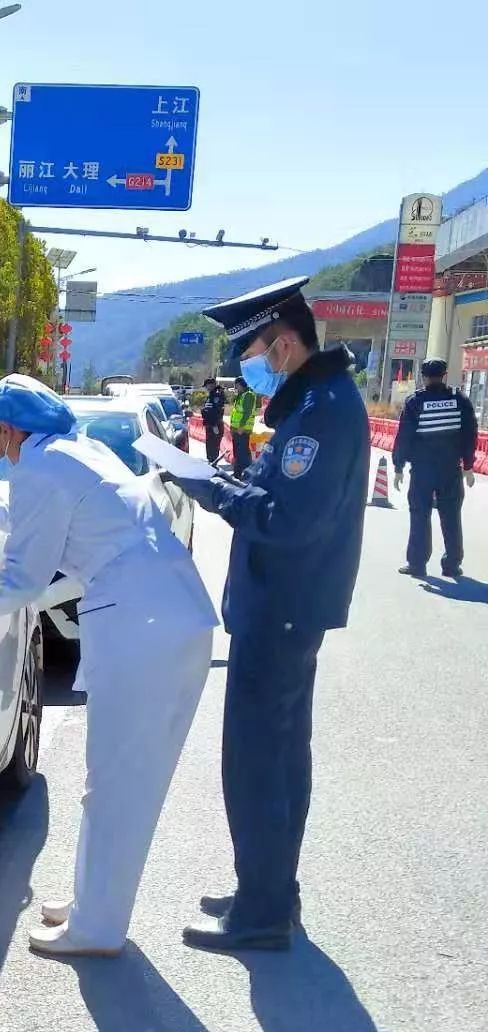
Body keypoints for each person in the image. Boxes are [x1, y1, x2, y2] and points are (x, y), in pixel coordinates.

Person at [0, 373, 217, 959]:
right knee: (117, 784)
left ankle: (97, 928)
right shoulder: (77, 452)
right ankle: (92, 908)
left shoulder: (40, 468)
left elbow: (23, 580)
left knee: (115, 786)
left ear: (6, 430)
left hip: (142, 635)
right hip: (171, 623)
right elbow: (46, 518)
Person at [168, 278, 368, 952]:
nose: (247, 367)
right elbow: (277, 491)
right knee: (277, 758)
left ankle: (260, 913)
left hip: (282, 607)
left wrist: (211, 487)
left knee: (258, 762)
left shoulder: (321, 411)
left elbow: (286, 521)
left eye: (251, 351)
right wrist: (232, 478)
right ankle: (268, 890)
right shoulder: (312, 403)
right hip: (283, 606)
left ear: (284, 343)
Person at [393, 357, 477, 579]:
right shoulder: (459, 400)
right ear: (445, 375)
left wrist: (398, 466)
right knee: (451, 516)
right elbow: (470, 434)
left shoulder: (415, 402)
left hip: (422, 471)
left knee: (419, 515)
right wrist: (468, 466)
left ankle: (417, 564)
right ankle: (452, 565)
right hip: (451, 470)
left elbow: (404, 437)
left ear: (423, 376)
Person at [229, 377, 258, 479]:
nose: (235, 387)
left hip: (243, 429)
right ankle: (237, 473)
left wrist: (241, 426)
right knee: (237, 452)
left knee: (243, 452)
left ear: (241, 384)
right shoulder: (241, 396)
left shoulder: (248, 395)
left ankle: (246, 474)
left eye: (236, 385)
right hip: (236, 429)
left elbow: (247, 412)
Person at [201, 377, 226, 465]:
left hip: (215, 424)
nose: (206, 388)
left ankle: (213, 464)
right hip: (210, 424)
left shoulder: (217, 395)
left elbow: (216, 411)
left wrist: (214, 424)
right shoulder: (211, 395)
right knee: (209, 445)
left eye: (207, 386)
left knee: (213, 446)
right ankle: (211, 463)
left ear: (211, 385)